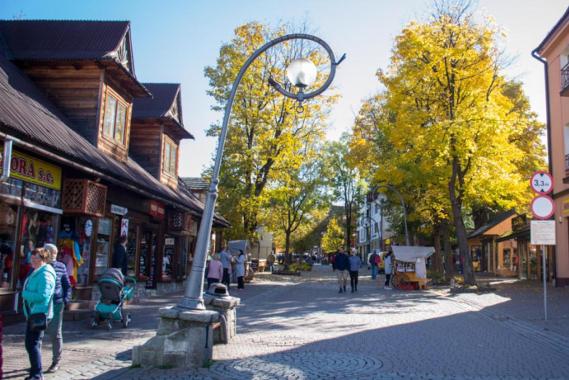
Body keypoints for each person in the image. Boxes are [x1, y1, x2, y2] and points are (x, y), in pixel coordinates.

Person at [22, 248, 56, 380]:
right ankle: (35, 371)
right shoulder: (37, 271)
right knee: (31, 343)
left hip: (39, 314)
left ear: (43, 259)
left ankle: (37, 374)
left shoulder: (45, 274)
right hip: (33, 313)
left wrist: (25, 295)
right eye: (32, 257)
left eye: (37, 258)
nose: (33, 260)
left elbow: (43, 295)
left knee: (32, 343)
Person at [43, 244, 71, 374]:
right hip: (41, 304)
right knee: (37, 333)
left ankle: (56, 361)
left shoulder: (61, 266)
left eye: (47, 251)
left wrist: (66, 300)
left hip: (56, 303)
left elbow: (67, 285)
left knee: (55, 333)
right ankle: (36, 362)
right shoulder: (40, 266)